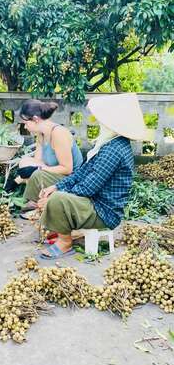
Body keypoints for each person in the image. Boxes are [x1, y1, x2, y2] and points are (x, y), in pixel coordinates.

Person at [36, 93, 152, 260]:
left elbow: (87, 187)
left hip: (103, 212)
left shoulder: (114, 149)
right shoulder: (110, 144)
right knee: (55, 189)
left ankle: (64, 242)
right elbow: (82, 173)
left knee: (57, 199)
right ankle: (63, 226)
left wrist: (57, 195)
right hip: (95, 202)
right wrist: (57, 187)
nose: (99, 122)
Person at [10, 99, 83, 213]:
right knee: (25, 162)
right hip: (54, 172)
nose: (25, 127)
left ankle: (38, 205)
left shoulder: (59, 134)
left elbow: (67, 169)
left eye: (25, 123)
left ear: (35, 119)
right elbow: (37, 162)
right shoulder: (41, 134)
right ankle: (38, 201)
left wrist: (37, 170)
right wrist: (17, 180)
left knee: (35, 172)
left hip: (71, 178)